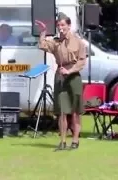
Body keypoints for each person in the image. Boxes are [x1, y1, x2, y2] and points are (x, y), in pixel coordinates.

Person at [35, 14, 86, 150]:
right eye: (59, 25)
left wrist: (70, 71)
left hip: (73, 76)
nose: (61, 28)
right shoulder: (56, 42)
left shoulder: (78, 42)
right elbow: (42, 45)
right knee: (62, 111)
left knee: (75, 111)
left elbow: (82, 61)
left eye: (63, 25)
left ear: (69, 26)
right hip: (60, 76)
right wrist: (43, 32)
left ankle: (75, 140)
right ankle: (62, 141)